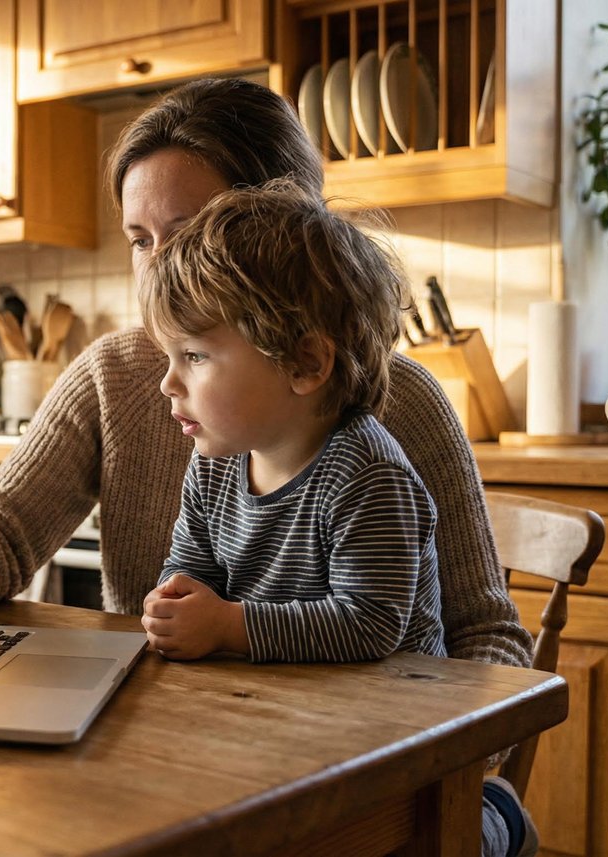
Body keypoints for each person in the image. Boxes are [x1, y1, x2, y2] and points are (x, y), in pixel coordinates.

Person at [0, 77, 531, 672]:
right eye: (140, 240)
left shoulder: (396, 407)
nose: (159, 265)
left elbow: (485, 637)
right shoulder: (119, 378)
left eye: (188, 233)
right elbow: (3, 531)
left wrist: (460, 782)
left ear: (277, 232)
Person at [133, 182, 446, 664]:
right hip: (281, 707)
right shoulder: (213, 467)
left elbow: (368, 625)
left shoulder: (367, 476)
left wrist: (226, 625)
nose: (168, 384)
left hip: (389, 718)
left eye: (194, 355)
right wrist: (175, 600)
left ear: (304, 364)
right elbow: (192, 570)